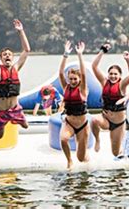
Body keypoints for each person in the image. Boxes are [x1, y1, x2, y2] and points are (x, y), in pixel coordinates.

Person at [91, 43, 129, 157]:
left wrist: (128, 60)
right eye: (111, 74)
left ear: (120, 76)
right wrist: (102, 51)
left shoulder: (122, 85)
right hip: (105, 119)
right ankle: (97, 140)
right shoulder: (104, 82)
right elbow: (94, 66)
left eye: (115, 74)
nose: (113, 76)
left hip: (118, 123)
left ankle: (123, 155)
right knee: (94, 120)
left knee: (115, 152)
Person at [58, 41, 90, 169]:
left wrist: (80, 55)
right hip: (69, 123)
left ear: (79, 80)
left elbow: (83, 73)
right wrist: (65, 54)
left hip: (82, 126)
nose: (72, 81)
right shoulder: (66, 87)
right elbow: (60, 73)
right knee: (63, 139)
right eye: (70, 79)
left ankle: (88, 160)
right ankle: (69, 161)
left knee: (81, 158)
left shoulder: (83, 90)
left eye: (75, 79)